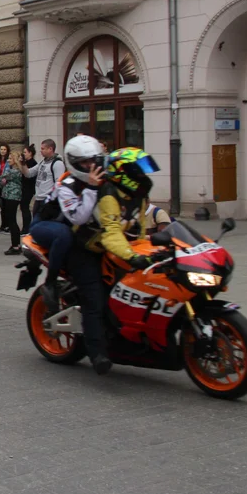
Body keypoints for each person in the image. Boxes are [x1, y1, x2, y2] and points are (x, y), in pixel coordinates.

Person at [75, 146, 163, 376]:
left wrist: (148, 249)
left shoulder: (138, 193)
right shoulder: (109, 193)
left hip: (120, 248)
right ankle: (97, 353)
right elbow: (111, 232)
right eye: (138, 171)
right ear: (124, 173)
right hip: (89, 248)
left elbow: (140, 226)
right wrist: (132, 256)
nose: (143, 176)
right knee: (96, 300)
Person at [28, 135, 104, 314]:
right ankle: (50, 284)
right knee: (64, 235)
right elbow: (79, 217)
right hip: (46, 224)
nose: (90, 166)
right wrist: (92, 188)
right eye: (85, 162)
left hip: (74, 227)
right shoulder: (67, 185)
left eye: (93, 161)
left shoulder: (100, 177)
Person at [24, 139, 66, 222]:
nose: (41, 151)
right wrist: (21, 164)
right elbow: (28, 173)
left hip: (47, 200)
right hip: (38, 199)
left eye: (43, 149)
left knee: (40, 224)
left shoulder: (57, 164)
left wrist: (52, 199)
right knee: (36, 225)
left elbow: (59, 183)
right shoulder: (42, 162)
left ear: (50, 149)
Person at [0, 151, 25, 255]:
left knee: (12, 221)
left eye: (10, 159)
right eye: (8, 158)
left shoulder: (14, 171)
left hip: (13, 197)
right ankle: (15, 244)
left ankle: (16, 246)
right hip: (9, 196)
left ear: (15, 160)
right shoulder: (12, 170)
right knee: (11, 220)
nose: (8, 160)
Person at [20, 144, 37, 234]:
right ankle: (25, 227)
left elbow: (29, 176)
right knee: (23, 207)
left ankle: (27, 228)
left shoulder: (32, 163)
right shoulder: (27, 162)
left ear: (30, 153)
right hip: (25, 187)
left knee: (25, 207)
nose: (24, 154)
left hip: (28, 188)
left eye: (25, 152)